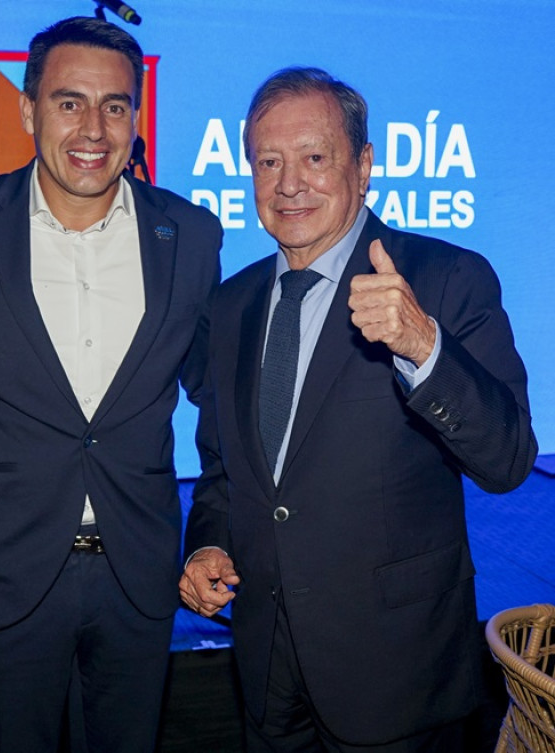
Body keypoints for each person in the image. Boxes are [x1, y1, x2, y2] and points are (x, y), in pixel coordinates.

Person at [179, 66, 538, 752]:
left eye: (315, 157)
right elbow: (226, 467)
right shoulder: (230, 305)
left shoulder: (444, 277)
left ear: (364, 165)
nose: (289, 183)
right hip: (265, 670)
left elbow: (508, 459)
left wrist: (422, 346)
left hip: (394, 677)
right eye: (268, 161)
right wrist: (207, 542)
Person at [0, 16, 222, 752]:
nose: (92, 127)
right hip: (3, 573)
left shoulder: (190, 235)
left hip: (137, 577)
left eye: (114, 105)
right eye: (68, 102)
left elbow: (218, 406)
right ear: (26, 110)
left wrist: (209, 534)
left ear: (136, 117)